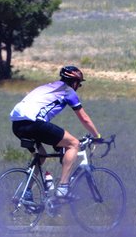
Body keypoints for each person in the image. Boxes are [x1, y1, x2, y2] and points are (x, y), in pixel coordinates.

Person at [10, 65, 101, 198]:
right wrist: (97, 136)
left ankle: (25, 193)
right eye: (79, 84)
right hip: (35, 124)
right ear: (75, 82)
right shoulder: (69, 92)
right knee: (74, 144)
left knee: (41, 156)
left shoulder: (46, 86)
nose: (78, 87)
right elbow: (84, 118)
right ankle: (63, 188)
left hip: (17, 125)